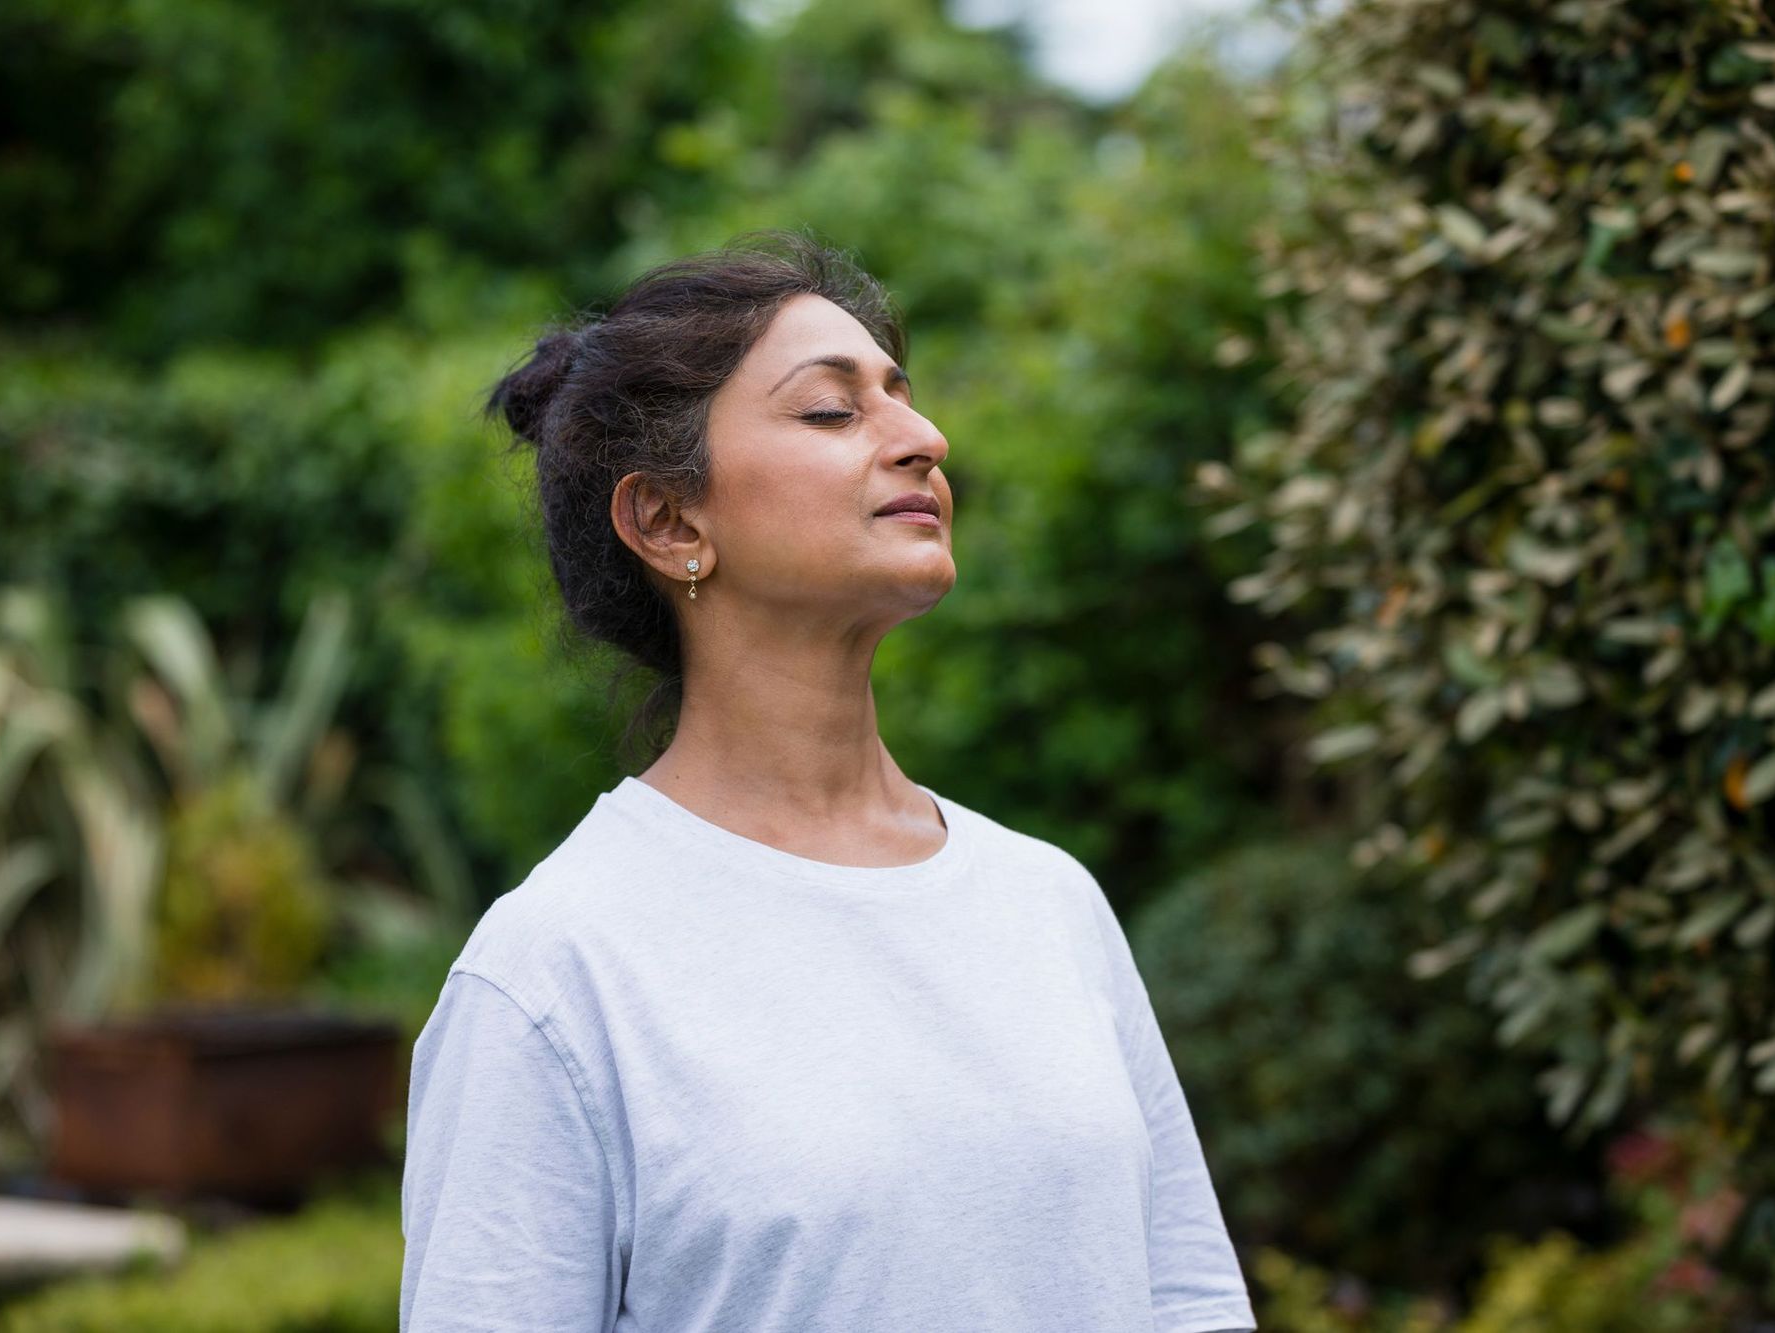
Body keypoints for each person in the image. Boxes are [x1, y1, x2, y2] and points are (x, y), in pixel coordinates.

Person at [398, 228, 1257, 1332]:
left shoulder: (1047, 902)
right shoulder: (559, 971)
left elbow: (1186, 1298)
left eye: (904, 397)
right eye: (831, 410)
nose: (924, 439)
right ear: (666, 519)